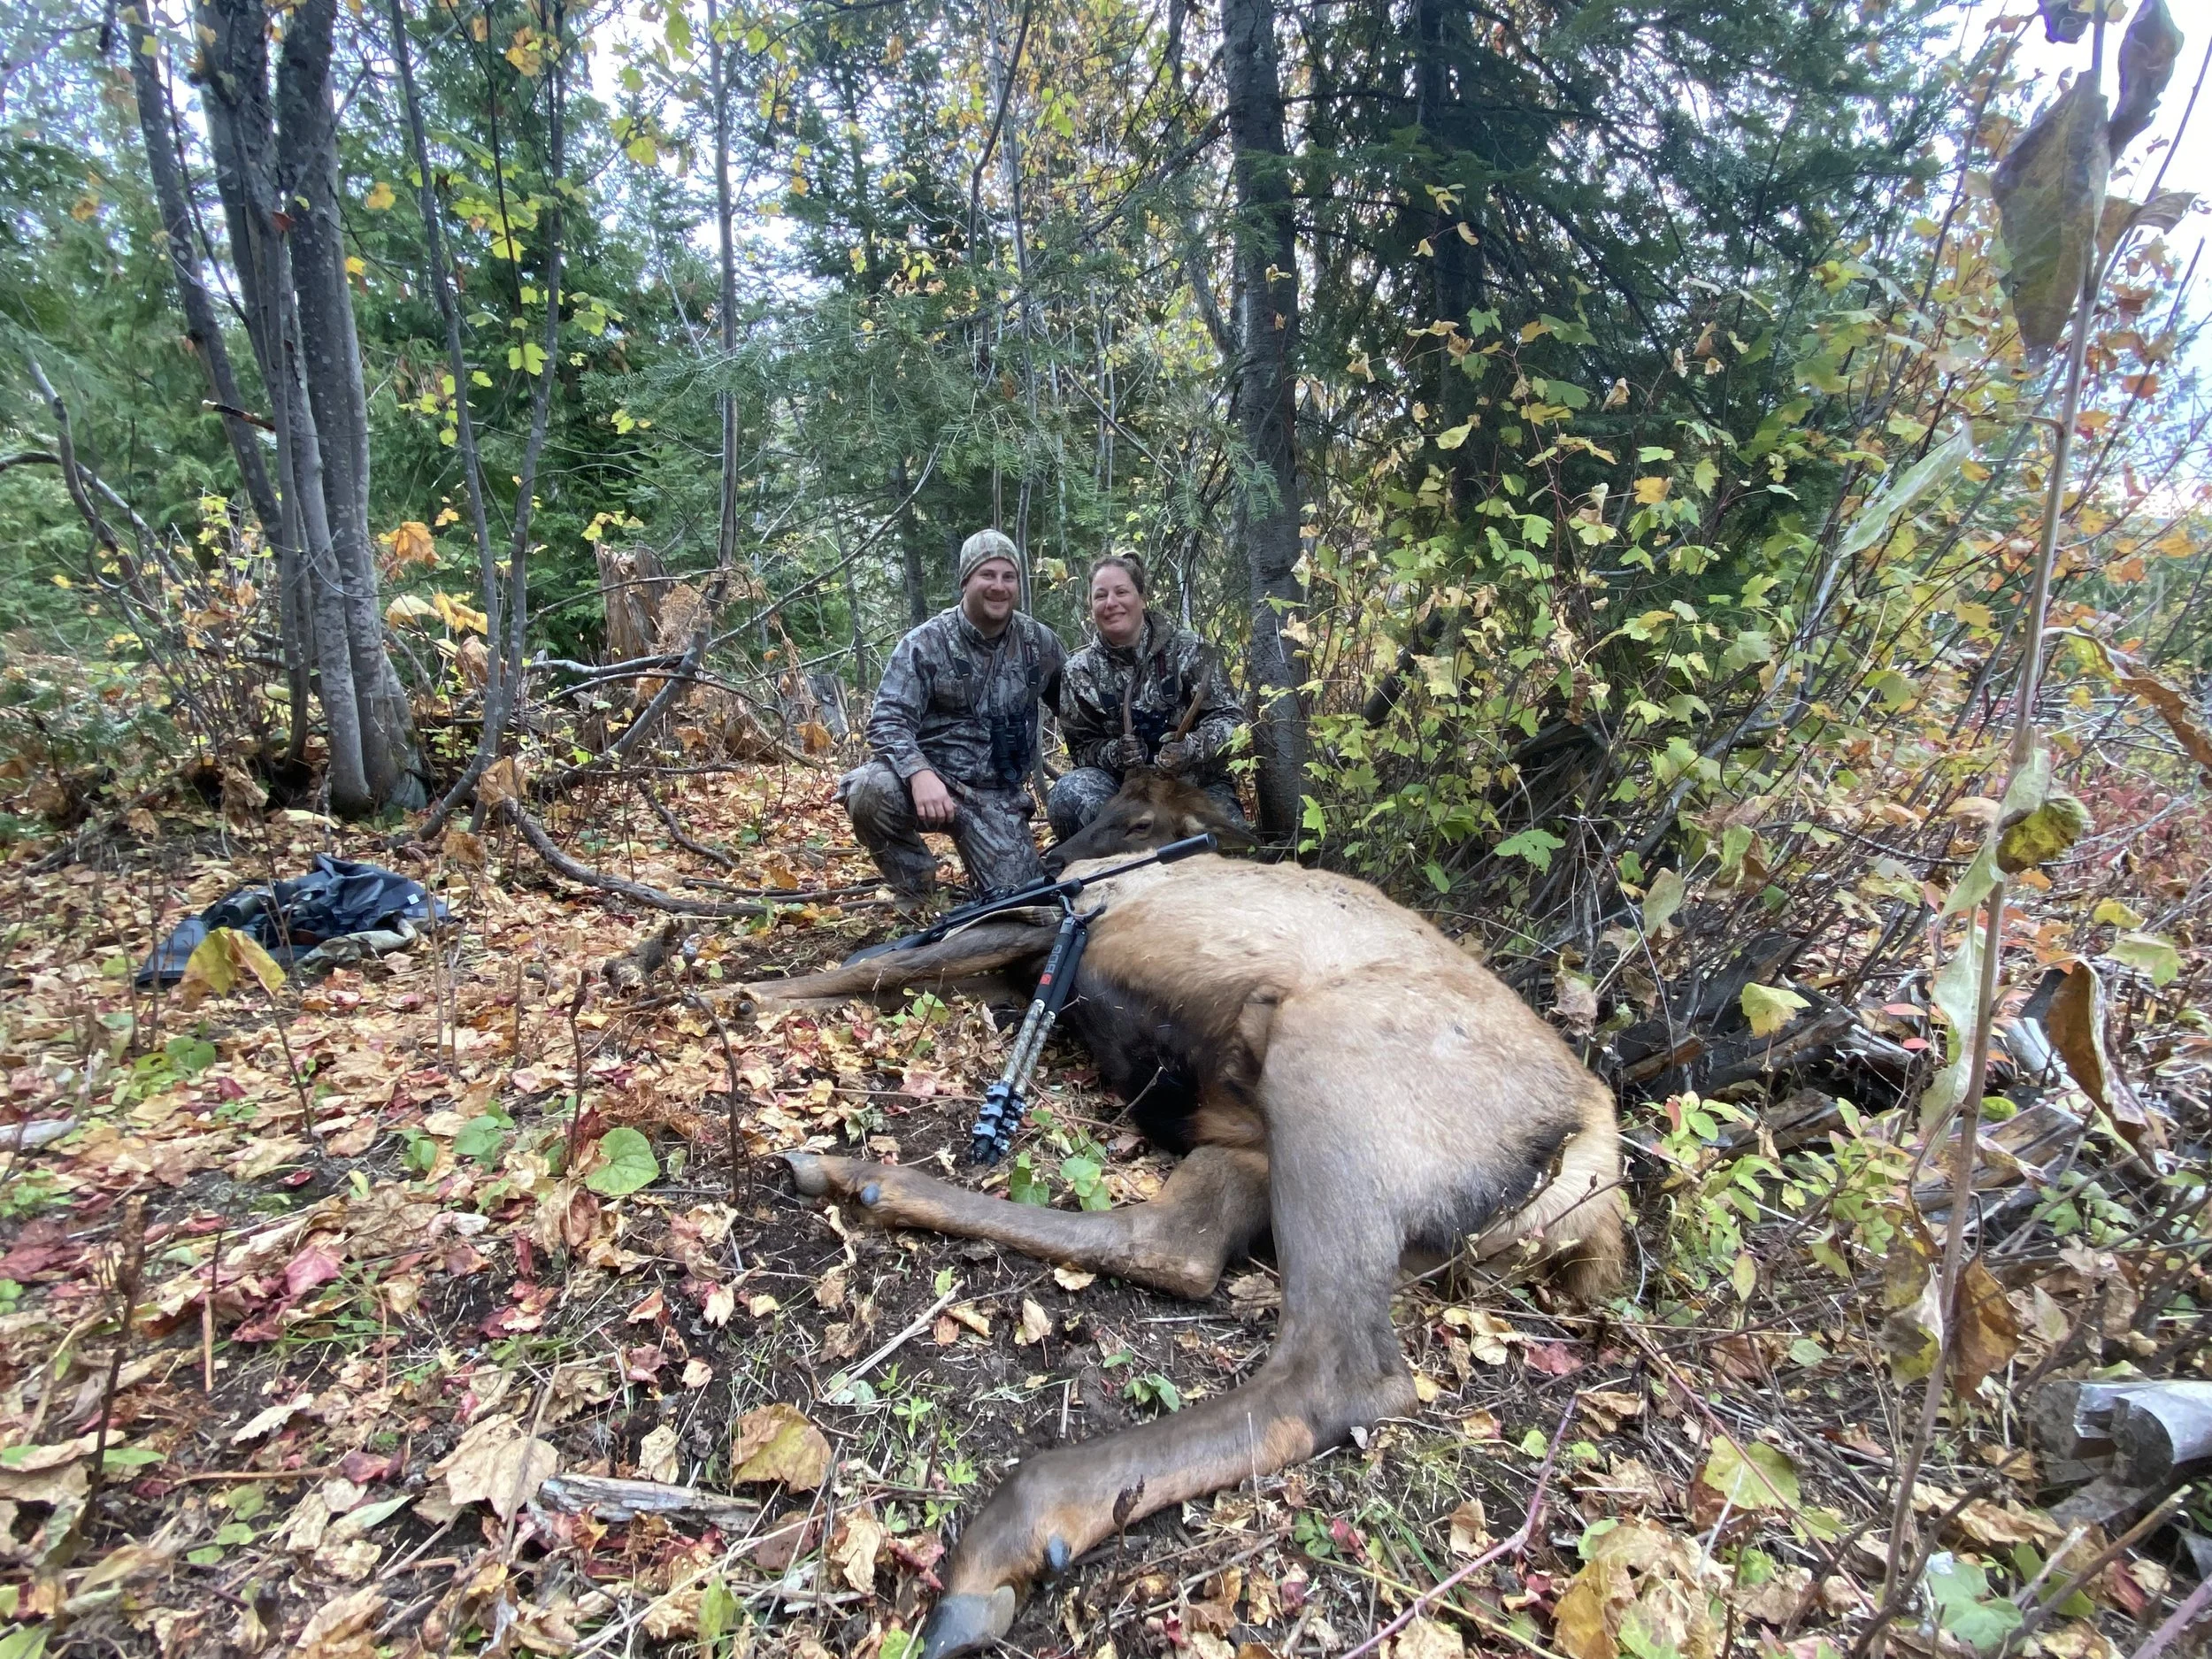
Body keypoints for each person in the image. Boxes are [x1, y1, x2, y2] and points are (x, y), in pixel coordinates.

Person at [841, 529, 1066, 901]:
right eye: (987, 575)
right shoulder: (926, 643)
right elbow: (887, 720)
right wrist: (919, 773)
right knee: (869, 789)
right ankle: (916, 890)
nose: (999, 587)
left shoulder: (1038, 643)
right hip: (932, 785)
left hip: (996, 797)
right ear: (966, 581)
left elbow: (1075, 710)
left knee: (1021, 903)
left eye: (1008, 577)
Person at [1048, 554, 1246, 842]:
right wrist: (1115, 753)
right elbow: (1082, 750)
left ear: (1142, 598)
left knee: (1226, 841)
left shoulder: (1191, 650)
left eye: (1121, 592)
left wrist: (1192, 747)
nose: (1111, 603)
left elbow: (1231, 720)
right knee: (1069, 795)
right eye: (1100, 595)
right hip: (1123, 794)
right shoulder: (1080, 671)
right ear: (1091, 605)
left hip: (1193, 786)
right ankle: (1115, 875)